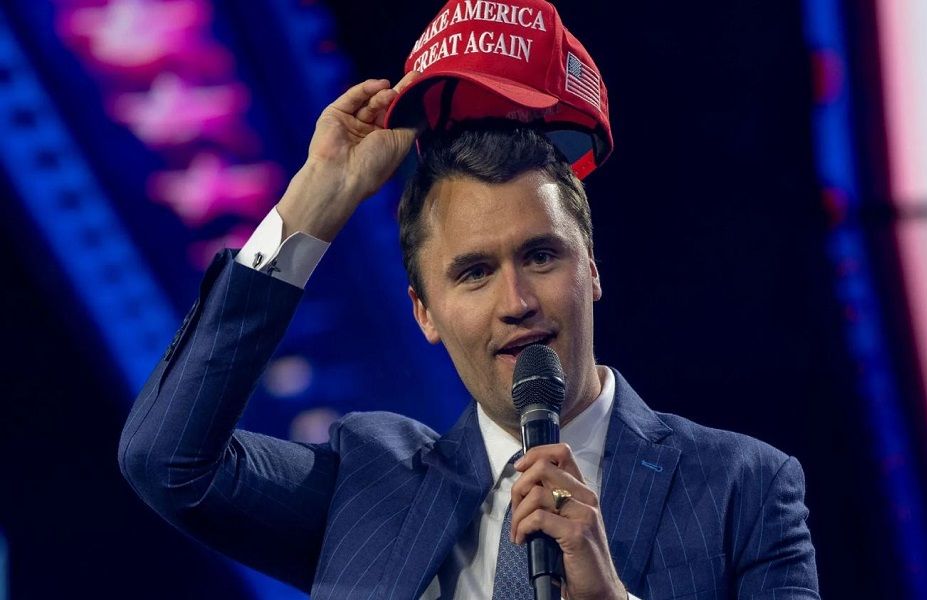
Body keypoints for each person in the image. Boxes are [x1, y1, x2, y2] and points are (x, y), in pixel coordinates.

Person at [118, 71, 820, 599]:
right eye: (475, 272)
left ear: (592, 270)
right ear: (424, 312)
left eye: (541, 256)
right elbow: (166, 462)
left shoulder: (745, 488)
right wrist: (317, 199)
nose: (516, 302)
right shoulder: (369, 484)